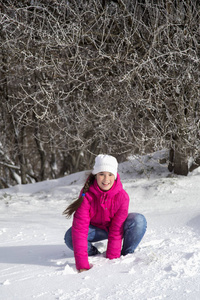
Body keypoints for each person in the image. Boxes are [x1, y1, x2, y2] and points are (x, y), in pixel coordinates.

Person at [63, 154, 147, 272]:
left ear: (116, 176)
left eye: (110, 174)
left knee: (138, 220)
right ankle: (93, 253)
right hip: (95, 229)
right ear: (96, 175)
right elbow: (80, 229)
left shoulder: (122, 197)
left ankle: (126, 254)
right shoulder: (86, 196)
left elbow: (117, 229)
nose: (106, 179)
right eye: (101, 174)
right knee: (70, 236)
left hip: (115, 228)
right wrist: (82, 265)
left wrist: (113, 258)